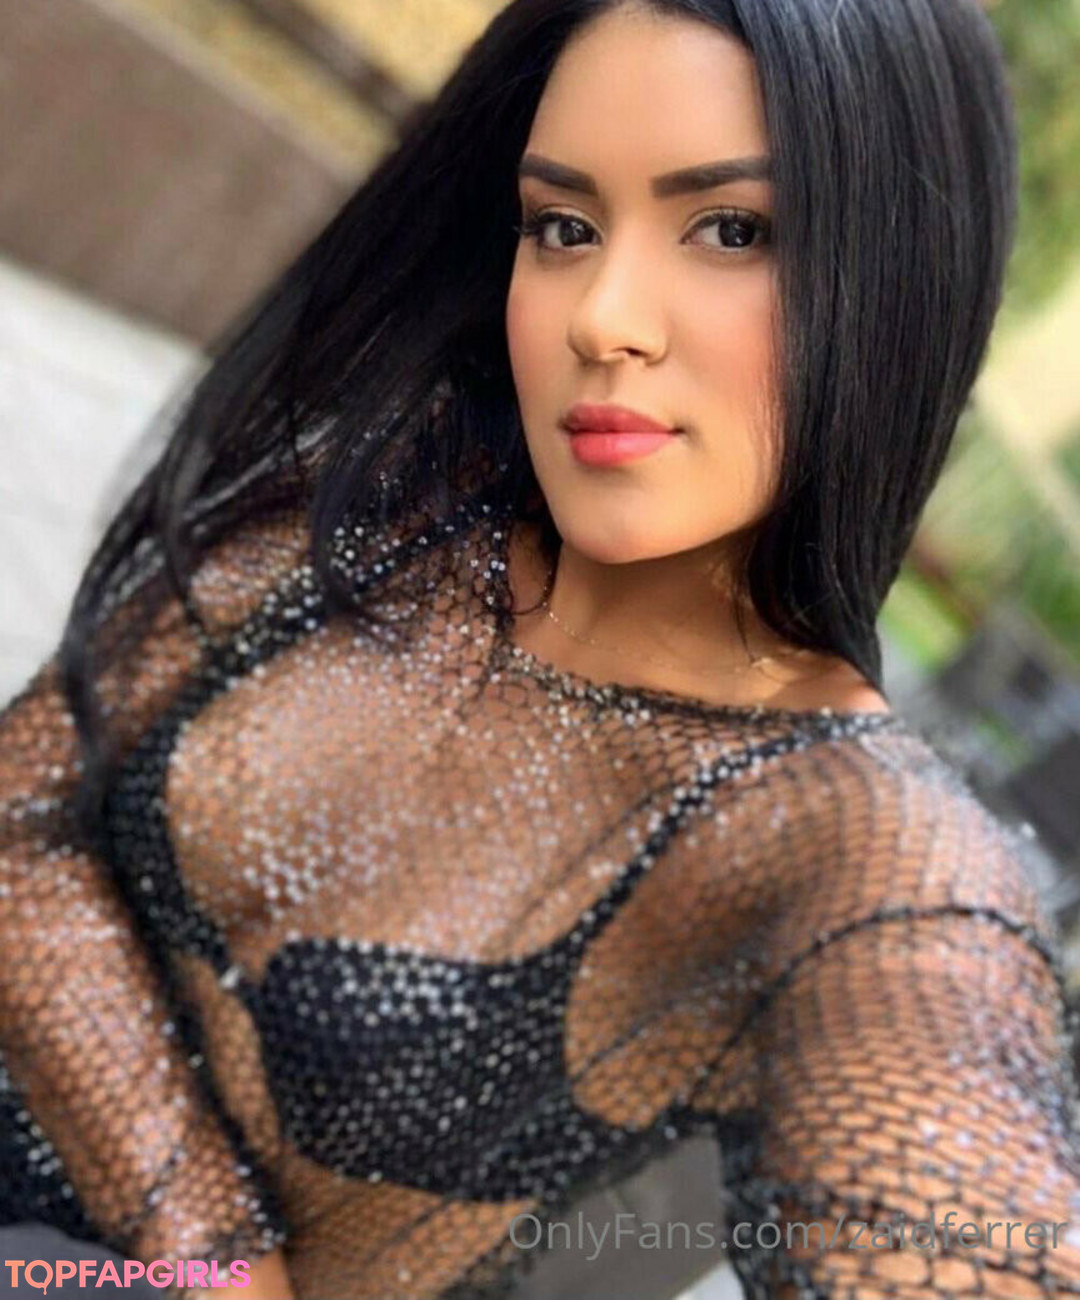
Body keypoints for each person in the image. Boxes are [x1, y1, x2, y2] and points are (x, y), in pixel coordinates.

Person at [2, 0, 1079, 1297]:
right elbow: (24, 814)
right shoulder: (405, 504)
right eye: (563, 226)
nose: (601, 316)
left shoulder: (866, 857)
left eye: (730, 230)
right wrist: (214, 1248)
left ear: (905, 280)